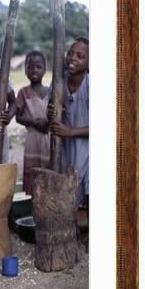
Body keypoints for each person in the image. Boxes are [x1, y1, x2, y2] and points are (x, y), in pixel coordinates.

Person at [49, 37, 89, 210]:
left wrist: (70, 131)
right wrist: (51, 112)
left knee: (90, 194)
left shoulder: (92, 84)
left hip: (88, 150)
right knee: (69, 195)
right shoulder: (59, 82)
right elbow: (49, 116)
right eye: (70, 53)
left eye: (80, 56)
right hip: (66, 149)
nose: (73, 58)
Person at [15, 51, 50, 195]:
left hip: (48, 139)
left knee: (48, 171)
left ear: (45, 69)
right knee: (32, 172)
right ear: (25, 70)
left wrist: (47, 123)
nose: (34, 70)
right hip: (32, 140)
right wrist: (34, 123)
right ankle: (33, 206)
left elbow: (57, 114)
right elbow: (18, 117)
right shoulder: (23, 92)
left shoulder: (51, 91)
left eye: (38, 66)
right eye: (30, 67)